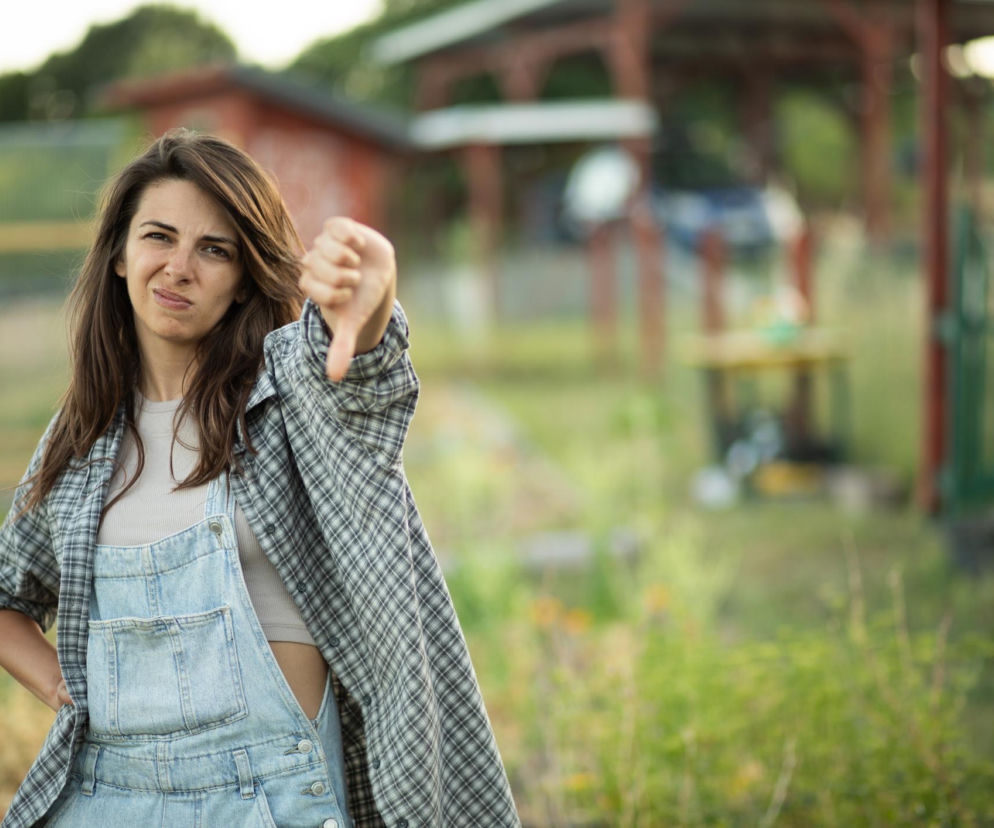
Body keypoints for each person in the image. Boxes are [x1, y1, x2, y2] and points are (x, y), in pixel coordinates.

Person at [0, 129, 520, 827]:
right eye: (159, 237)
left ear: (245, 277)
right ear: (120, 257)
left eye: (214, 250)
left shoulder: (288, 395)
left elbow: (361, 377)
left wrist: (372, 293)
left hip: (271, 798)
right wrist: (63, 686)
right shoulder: (82, 438)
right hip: (106, 796)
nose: (179, 267)